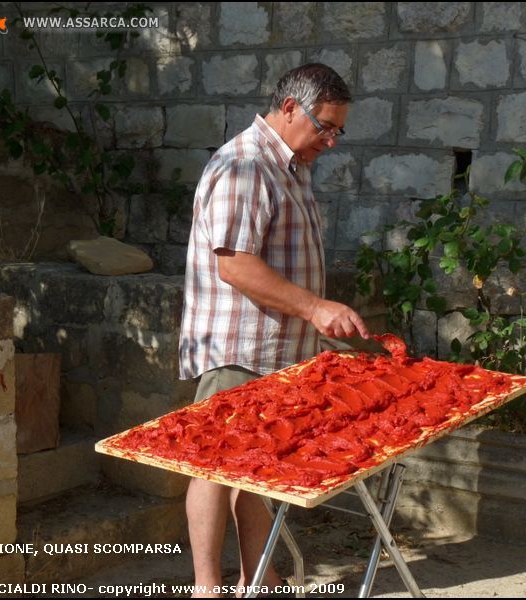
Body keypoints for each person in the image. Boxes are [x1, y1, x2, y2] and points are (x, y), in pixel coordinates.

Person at [178, 63, 370, 597]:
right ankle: (206, 588)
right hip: (239, 347)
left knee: (258, 467)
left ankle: (258, 579)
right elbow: (235, 264)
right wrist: (313, 308)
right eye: (324, 127)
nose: (330, 141)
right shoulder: (245, 165)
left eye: (338, 131)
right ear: (289, 108)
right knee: (213, 466)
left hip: (276, 349)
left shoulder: (289, 164)